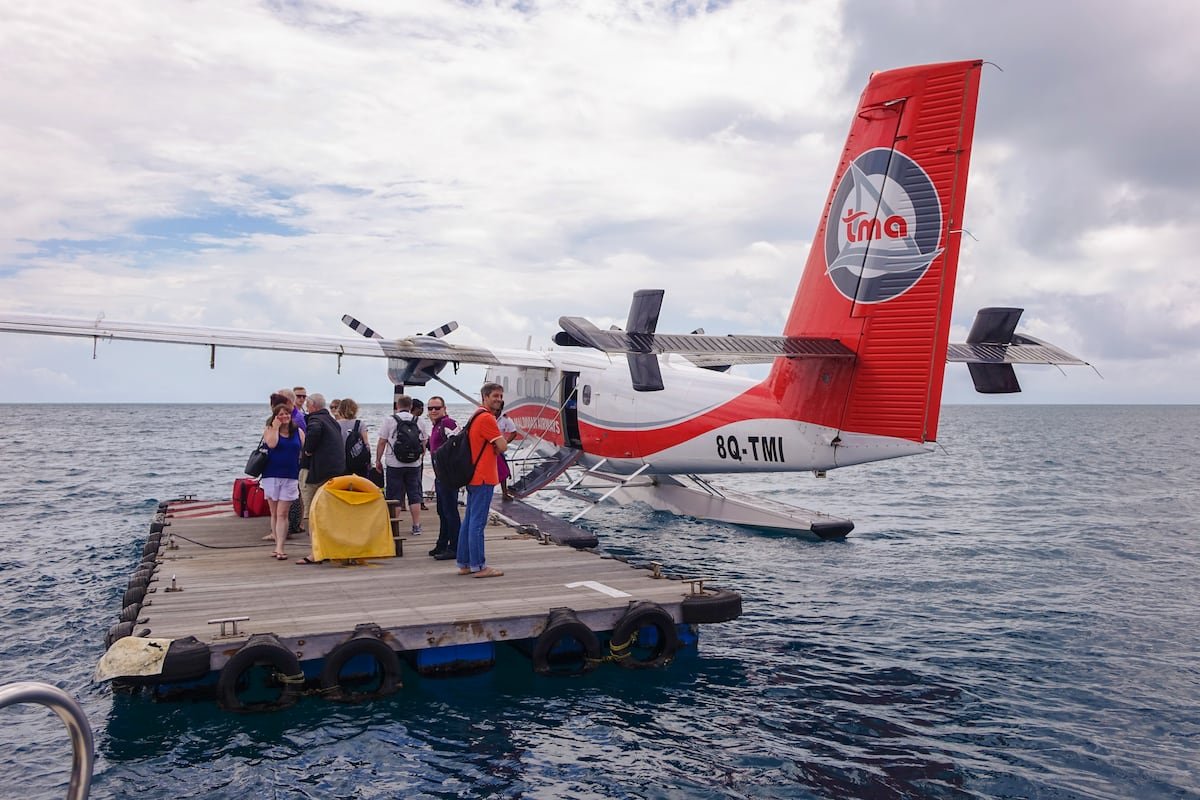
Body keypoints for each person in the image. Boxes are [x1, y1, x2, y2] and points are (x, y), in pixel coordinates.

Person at [456, 382, 507, 578]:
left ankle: (465, 563)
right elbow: (502, 446)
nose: (499, 400)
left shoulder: (475, 415)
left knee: (469, 520)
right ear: (485, 397)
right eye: (495, 396)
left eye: (501, 396)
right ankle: (479, 565)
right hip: (484, 476)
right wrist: (499, 446)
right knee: (477, 522)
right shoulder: (487, 418)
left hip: (474, 475)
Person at [376, 395, 431, 535]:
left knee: (395, 496)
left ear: (397, 406)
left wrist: (378, 460)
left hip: (394, 464)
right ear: (411, 406)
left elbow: (382, 442)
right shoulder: (419, 420)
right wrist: (419, 457)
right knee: (415, 495)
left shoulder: (389, 420)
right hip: (414, 464)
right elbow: (424, 442)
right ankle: (416, 525)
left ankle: (393, 528)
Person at [261, 403, 304, 560]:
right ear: (275, 416)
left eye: (287, 413)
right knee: (274, 513)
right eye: (280, 414)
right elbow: (272, 444)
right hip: (271, 475)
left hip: (290, 475)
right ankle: (277, 544)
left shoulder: (297, 432)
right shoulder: (269, 430)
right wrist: (275, 427)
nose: (284, 416)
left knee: (282, 513)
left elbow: (303, 450)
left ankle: (280, 547)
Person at [300, 393, 345, 521]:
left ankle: (312, 527)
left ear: (313, 406)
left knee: (309, 498)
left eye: (307, 405)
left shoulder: (316, 419)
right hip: (334, 468)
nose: (307, 408)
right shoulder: (332, 421)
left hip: (317, 469)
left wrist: (308, 450)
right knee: (328, 502)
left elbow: (315, 431)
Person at [426, 396, 460, 560]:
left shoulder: (447, 423)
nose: (433, 411)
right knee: (442, 510)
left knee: (450, 511)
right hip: (440, 475)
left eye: (437, 408)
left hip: (448, 475)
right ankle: (442, 543)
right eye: (430, 408)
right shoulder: (436, 426)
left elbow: (457, 444)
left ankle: (454, 546)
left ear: (444, 408)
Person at [338, 397, 371, 477]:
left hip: (341, 462)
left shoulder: (336, 424)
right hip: (357, 462)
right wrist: (369, 461)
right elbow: (366, 444)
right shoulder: (360, 424)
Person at [496, 405, 519, 501]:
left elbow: (514, 432)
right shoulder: (487, 416)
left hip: (497, 447)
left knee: (503, 470)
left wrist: (505, 442)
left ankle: (504, 492)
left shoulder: (505, 419)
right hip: (486, 446)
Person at [410, 398, 429, 511]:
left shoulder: (398, 419)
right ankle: (419, 501)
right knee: (417, 480)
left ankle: (401, 503)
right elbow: (424, 439)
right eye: (421, 408)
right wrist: (423, 451)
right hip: (416, 455)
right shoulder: (419, 421)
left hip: (399, 457)